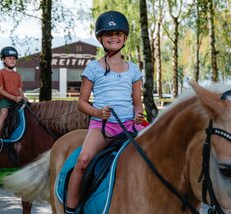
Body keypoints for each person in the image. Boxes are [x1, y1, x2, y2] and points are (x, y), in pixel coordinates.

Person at [65, 11, 146, 213]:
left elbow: (137, 103)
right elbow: (81, 103)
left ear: (125, 38)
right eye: (108, 34)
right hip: (102, 126)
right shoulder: (93, 68)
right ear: (100, 38)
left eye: (118, 33)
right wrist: (97, 112)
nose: (113, 37)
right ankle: (70, 208)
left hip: (129, 125)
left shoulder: (134, 69)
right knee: (83, 161)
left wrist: (139, 115)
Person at [0, 46, 27, 152]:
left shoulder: (17, 75)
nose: (12, 60)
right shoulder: (0, 73)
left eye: (14, 58)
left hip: (17, 99)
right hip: (5, 100)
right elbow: (1, 91)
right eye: (9, 58)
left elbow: (19, 89)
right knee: (4, 113)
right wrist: (14, 98)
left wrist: (24, 98)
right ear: (3, 59)